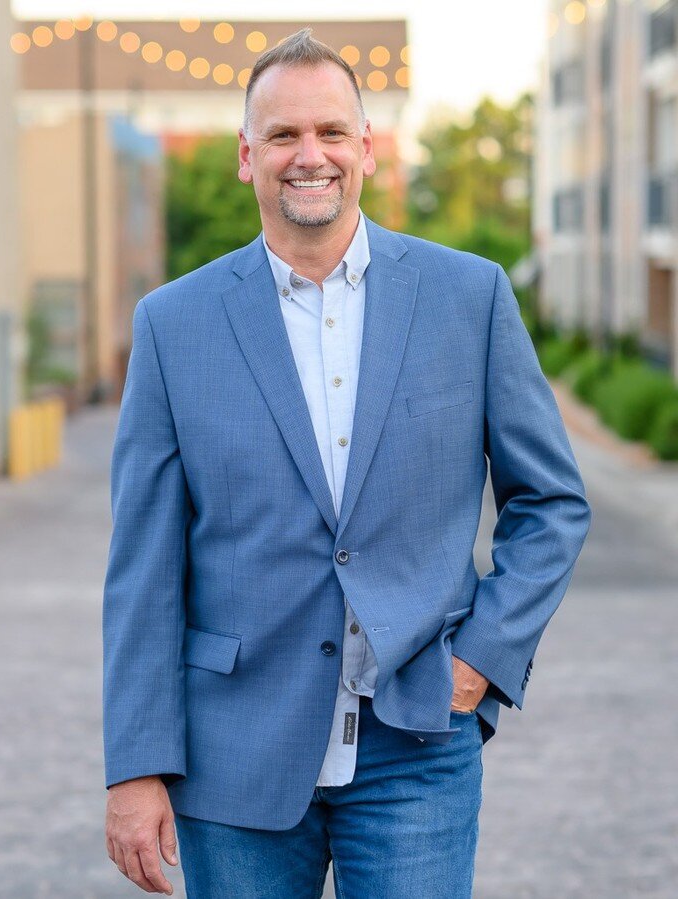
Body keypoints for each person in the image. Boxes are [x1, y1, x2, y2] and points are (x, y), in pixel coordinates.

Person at [102, 27, 592, 899]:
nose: (309, 155)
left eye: (330, 131)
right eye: (283, 136)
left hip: (418, 746)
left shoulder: (467, 297)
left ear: (366, 147)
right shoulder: (172, 325)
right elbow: (143, 568)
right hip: (234, 761)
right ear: (245, 158)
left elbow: (551, 499)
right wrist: (136, 766)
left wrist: (484, 655)